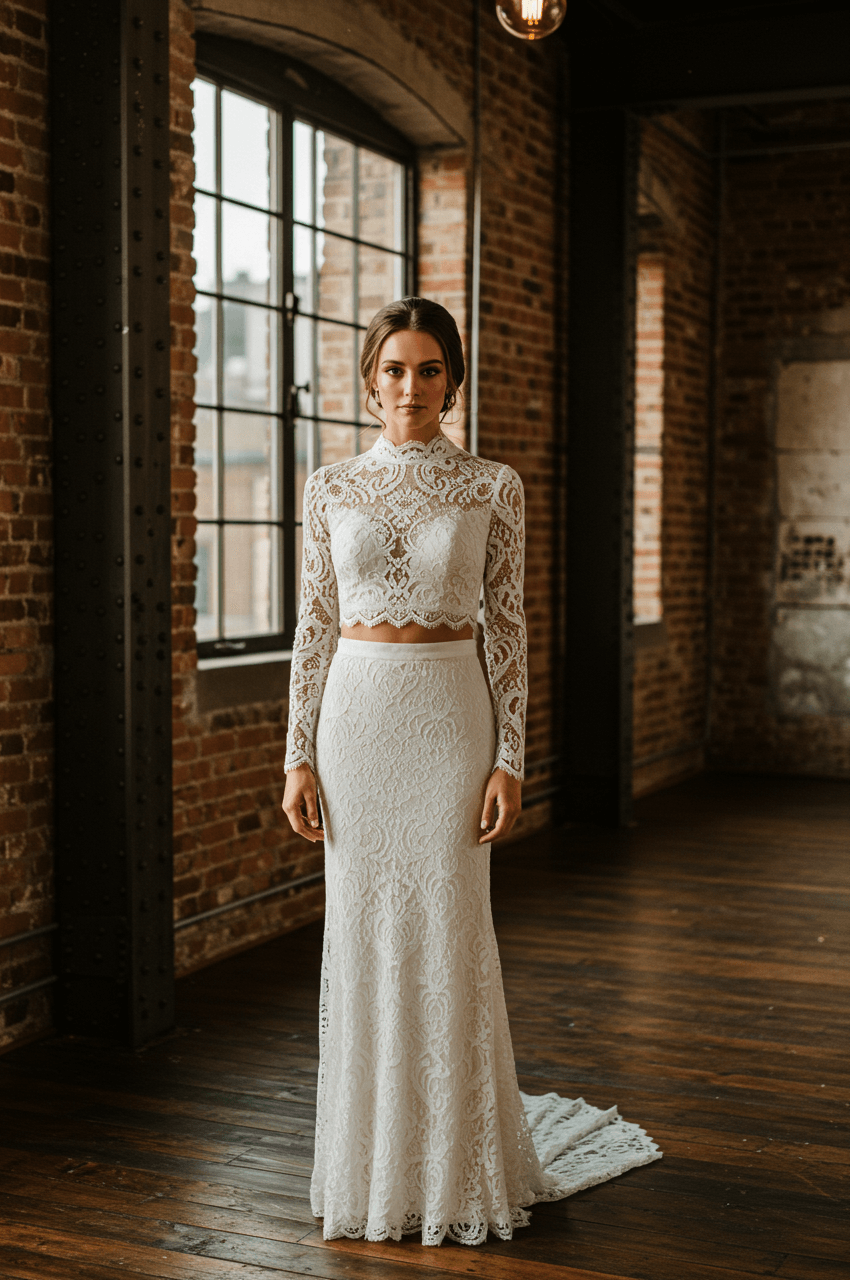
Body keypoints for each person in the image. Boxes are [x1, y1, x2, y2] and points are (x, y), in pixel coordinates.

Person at [282, 297, 660, 1247]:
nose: (410, 387)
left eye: (429, 370)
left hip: (451, 721)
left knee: (451, 928)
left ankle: (457, 1165)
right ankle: (372, 1165)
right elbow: (314, 627)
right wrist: (296, 754)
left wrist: (509, 757)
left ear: (452, 380)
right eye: (395, 369)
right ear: (370, 379)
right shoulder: (329, 488)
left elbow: (509, 629)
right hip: (355, 726)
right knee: (363, 932)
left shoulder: (494, 486)